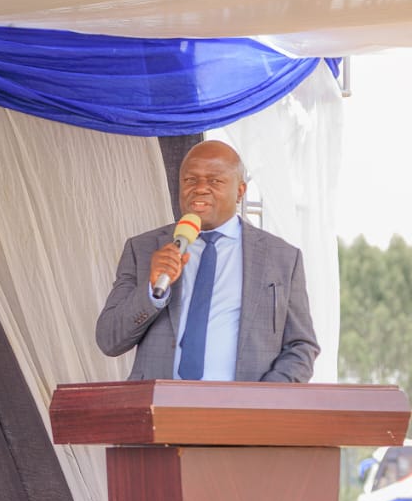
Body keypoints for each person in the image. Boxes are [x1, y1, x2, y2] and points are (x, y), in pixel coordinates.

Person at [95, 139, 319, 382]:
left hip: (243, 413)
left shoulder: (282, 257)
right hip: (157, 408)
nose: (200, 188)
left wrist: (265, 401)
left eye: (215, 180)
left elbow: (301, 346)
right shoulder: (144, 249)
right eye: (190, 180)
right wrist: (151, 292)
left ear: (240, 191)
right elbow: (109, 340)